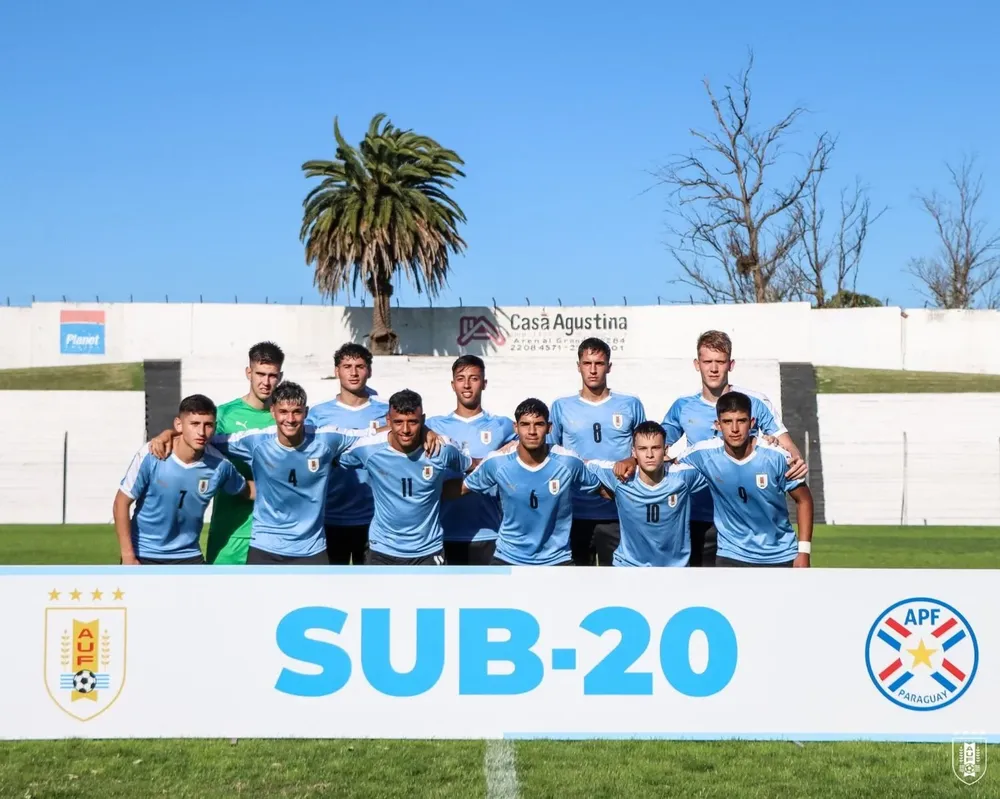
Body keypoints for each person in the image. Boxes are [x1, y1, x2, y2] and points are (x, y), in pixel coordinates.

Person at [659, 330, 807, 568]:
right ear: (697, 365)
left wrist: (789, 456)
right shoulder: (682, 406)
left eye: (720, 361)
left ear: (731, 364)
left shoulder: (754, 403)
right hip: (697, 518)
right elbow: (659, 450)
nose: (714, 368)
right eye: (708, 362)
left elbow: (791, 453)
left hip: (746, 523)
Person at [457, 398, 602, 566]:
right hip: (508, 557)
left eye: (539, 424)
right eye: (525, 424)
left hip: (556, 559)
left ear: (549, 428)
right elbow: (460, 489)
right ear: (515, 428)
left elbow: (602, 490)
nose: (532, 431)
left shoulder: (568, 462)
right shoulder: (497, 462)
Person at [676, 391, 814, 567]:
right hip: (732, 554)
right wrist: (632, 461)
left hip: (779, 554)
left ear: (752, 423)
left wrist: (804, 551)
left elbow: (804, 499)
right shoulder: (702, 454)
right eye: (727, 422)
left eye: (741, 421)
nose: (734, 429)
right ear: (717, 425)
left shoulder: (775, 456)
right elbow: (662, 465)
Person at [113, 395, 251, 565]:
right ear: (179, 425)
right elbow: (121, 502)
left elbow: (249, 491)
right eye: (194, 424)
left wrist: (287, 488)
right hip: (144, 554)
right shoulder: (151, 455)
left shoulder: (220, 466)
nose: (201, 432)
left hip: (188, 556)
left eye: (208, 425)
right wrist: (128, 556)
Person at [339, 389, 472, 566]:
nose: (406, 430)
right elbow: (335, 457)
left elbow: (471, 465)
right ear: (388, 421)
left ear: (423, 420)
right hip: (382, 549)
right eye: (398, 422)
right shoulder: (369, 448)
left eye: (413, 422)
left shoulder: (442, 449)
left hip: (428, 550)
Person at [549, 338, 646, 566]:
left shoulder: (630, 404)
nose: (593, 370)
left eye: (599, 363)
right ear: (578, 366)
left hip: (617, 511)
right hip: (572, 513)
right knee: (575, 588)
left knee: (618, 583)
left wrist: (631, 459)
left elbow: (646, 448)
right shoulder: (561, 407)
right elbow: (549, 455)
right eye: (587, 363)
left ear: (609, 367)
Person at [426, 355, 516, 565]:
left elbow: (532, 436)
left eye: (474, 378)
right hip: (445, 532)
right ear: (452, 384)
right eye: (461, 378)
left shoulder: (501, 425)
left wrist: (514, 446)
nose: (467, 385)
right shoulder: (434, 425)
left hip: (490, 532)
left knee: (489, 597)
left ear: (484, 383)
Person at [203, 341, 285, 565]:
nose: (266, 382)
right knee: (222, 599)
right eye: (260, 374)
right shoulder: (224, 414)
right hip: (229, 530)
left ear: (280, 376)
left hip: (272, 533)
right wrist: (166, 435)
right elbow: (193, 438)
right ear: (248, 372)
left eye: (272, 375)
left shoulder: (286, 419)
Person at [307, 343, 389, 565]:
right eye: (347, 366)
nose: (353, 373)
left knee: (372, 589)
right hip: (330, 516)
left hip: (374, 518)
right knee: (333, 589)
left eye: (360, 366)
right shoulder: (317, 413)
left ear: (369, 371)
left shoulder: (387, 410)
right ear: (336, 371)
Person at [587, 421, 706, 567]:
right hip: (629, 566)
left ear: (665, 450)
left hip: (674, 568)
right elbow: (578, 465)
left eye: (655, 448)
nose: (649, 455)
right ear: (634, 452)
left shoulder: (683, 477)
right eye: (643, 449)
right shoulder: (620, 476)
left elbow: (716, 470)